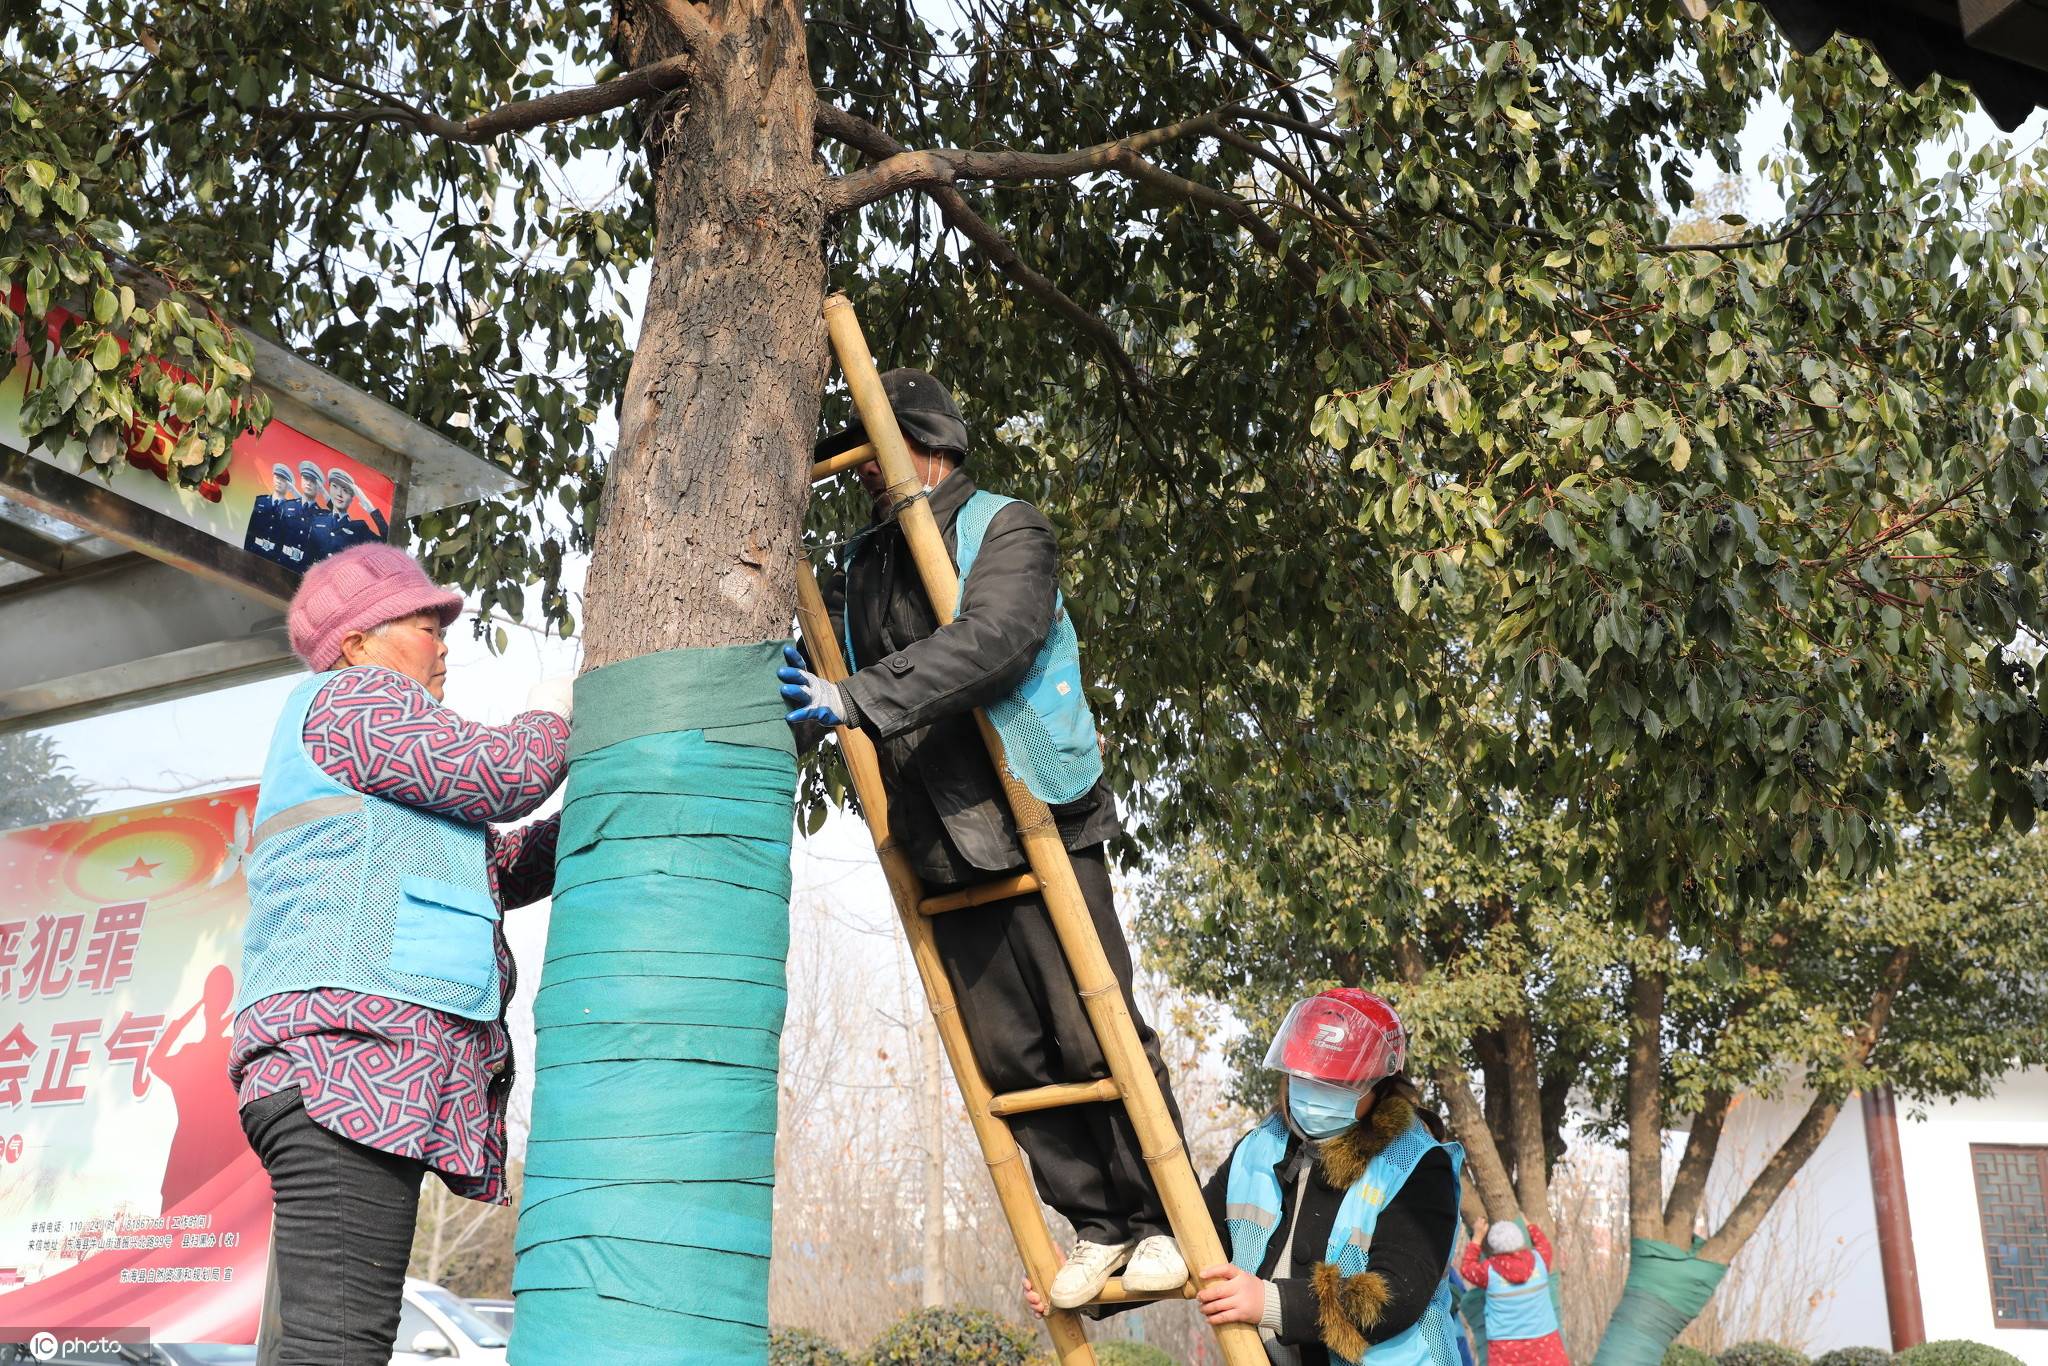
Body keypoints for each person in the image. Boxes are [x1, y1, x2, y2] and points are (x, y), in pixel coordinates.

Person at [778, 368, 1191, 1308]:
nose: (867, 479)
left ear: (926, 448)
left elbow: (997, 638)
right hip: (937, 829)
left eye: (878, 458)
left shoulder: (1008, 524)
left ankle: (1158, 1218)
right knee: (1010, 1054)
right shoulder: (864, 560)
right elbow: (841, 671)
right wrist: (815, 689)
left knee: (1093, 1030)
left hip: (1032, 808)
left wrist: (859, 699)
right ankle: (1095, 1224)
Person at [229, 543, 575, 1366]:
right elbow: (506, 771)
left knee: (333, 1344)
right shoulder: (352, 701)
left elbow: (503, 864)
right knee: (338, 1347)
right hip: (344, 1066)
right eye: (426, 625)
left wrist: (612, 803)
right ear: (357, 643)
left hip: (364, 1073)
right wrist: (554, 714)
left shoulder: (380, 749)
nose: (444, 643)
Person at [1031, 989, 1466, 1363]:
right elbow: (1191, 1251)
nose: (1313, 1094)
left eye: (1336, 1087)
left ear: (1381, 1087)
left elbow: (1394, 1296)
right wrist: (1086, 1288)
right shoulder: (1259, 1150)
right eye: (1305, 1078)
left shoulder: (1417, 1166)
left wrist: (1270, 1302)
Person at [1459, 1221, 1569, 1366]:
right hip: (1546, 1343)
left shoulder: (1488, 1272)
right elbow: (1544, 1244)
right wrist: (1530, 1225)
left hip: (1505, 1348)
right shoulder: (1540, 1261)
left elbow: (1467, 1268)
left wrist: (1478, 1237)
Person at [305, 467, 389, 561]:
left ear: (352, 498)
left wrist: (370, 508)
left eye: (345, 490)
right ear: (329, 489)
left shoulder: (359, 528)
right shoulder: (318, 518)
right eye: (335, 486)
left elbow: (388, 545)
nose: (339, 494)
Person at [243, 463, 298, 564]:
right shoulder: (261, 501)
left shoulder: (291, 509)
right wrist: (246, 550)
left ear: (289, 486)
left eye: (283, 480)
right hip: (254, 551)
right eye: (277, 477)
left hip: (274, 558)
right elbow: (250, 530)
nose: (279, 481)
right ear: (273, 478)